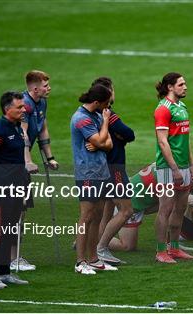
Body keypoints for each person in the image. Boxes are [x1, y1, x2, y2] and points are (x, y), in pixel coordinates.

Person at [10, 70, 58, 271]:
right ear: (35, 88)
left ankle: (15, 257)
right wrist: (27, 160)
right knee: (14, 209)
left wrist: (49, 157)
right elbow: (23, 133)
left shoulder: (41, 102)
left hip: (22, 162)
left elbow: (42, 128)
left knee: (21, 210)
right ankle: (11, 258)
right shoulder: (25, 105)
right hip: (14, 161)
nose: (49, 88)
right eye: (46, 86)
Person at [85, 77, 135, 266]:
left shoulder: (94, 115)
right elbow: (129, 134)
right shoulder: (108, 115)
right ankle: (101, 248)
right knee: (126, 210)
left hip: (103, 167)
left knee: (104, 212)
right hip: (114, 168)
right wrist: (121, 139)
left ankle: (94, 247)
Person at [0, 91, 30, 287]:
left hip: (17, 188)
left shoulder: (17, 127)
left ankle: (5, 272)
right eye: (19, 107)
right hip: (3, 189)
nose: (23, 109)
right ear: (7, 109)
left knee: (10, 231)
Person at [70, 83, 116, 275]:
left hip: (102, 172)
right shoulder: (81, 119)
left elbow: (108, 144)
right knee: (86, 217)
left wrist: (100, 142)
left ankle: (93, 259)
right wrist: (104, 126)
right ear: (97, 102)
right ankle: (80, 262)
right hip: (87, 174)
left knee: (97, 216)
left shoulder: (96, 115)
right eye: (105, 104)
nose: (107, 108)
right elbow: (99, 140)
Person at [153, 72, 193, 263]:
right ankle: (160, 251)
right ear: (170, 87)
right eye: (181, 84)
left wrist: (191, 164)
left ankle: (175, 248)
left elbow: (185, 139)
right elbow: (163, 142)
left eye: (185, 83)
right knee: (166, 208)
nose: (185, 87)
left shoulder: (182, 106)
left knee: (180, 208)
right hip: (167, 168)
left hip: (184, 167)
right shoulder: (163, 109)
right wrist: (174, 169)